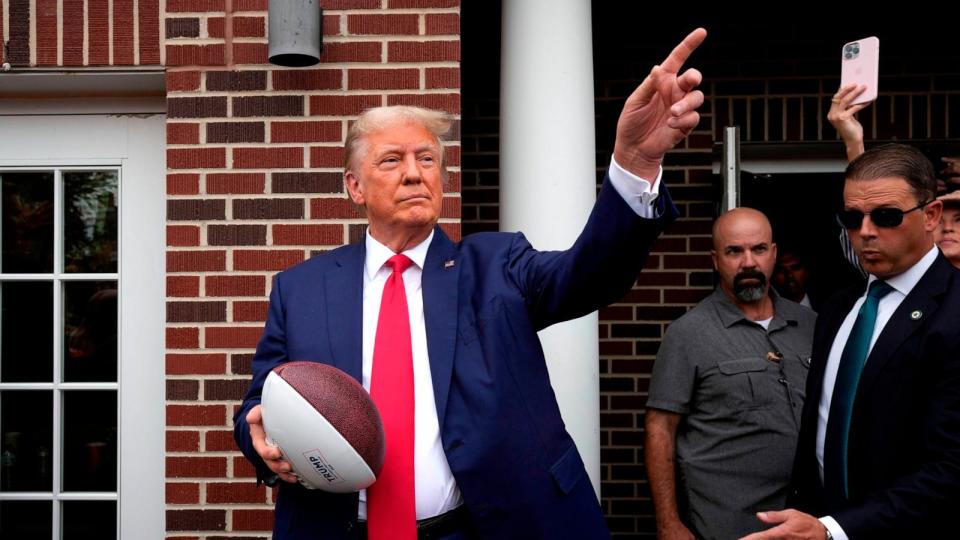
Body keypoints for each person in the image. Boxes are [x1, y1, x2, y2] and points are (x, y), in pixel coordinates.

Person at [234, 29, 708, 540]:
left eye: (428, 159)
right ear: (355, 186)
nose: (414, 174)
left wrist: (635, 164)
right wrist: (258, 438)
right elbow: (263, 401)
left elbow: (591, 275)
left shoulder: (497, 265)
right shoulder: (299, 289)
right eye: (392, 160)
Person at [741, 144, 960, 540]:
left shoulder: (954, 311)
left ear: (931, 216)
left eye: (887, 217)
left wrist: (834, 529)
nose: (866, 232)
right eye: (851, 217)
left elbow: (950, 467)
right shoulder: (840, 307)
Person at [646, 208, 815, 540]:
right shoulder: (689, 333)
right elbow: (660, 428)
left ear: (774, 254)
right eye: (734, 251)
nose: (748, 262)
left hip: (808, 519)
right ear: (715, 259)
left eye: (759, 249)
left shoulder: (812, 325)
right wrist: (668, 523)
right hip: (729, 525)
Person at [829, 84, 960, 269]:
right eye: (940, 221)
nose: (947, 229)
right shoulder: (893, 279)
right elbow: (866, 201)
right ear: (929, 220)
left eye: (959, 220)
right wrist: (853, 142)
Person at [772, 245, 816, 310]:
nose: (789, 275)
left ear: (807, 271)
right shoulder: (767, 312)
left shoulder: (828, 306)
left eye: (796, 268)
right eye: (781, 270)